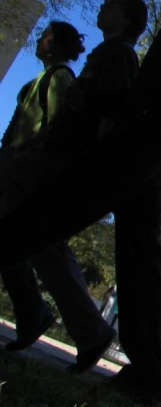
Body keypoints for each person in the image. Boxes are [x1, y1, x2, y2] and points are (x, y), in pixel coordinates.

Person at [0, 0, 161, 405]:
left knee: (50, 210)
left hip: (143, 147)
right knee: (139, 260)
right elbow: (148, 92)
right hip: (153, 147)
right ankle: (146, 374)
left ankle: (140, 370)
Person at [0, 20, 118, 373]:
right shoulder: (37, 82)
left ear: (58, 44)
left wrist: (27, 157)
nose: (40, 39)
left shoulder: (60, 79)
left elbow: (58, 129)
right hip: (19, 170)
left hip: (33, 173)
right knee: (37, 248)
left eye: (46, 35)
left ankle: (56, 320)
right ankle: (56, 320)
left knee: (33, 244)